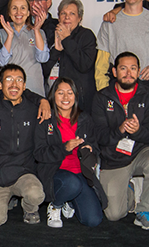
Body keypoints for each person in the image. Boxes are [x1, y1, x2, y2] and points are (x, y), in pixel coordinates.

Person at [92, 52, 149, 229]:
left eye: (133, 69)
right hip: (114, 158)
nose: (128, 73)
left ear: (139, 71)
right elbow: (99, 135)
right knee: (113, 214)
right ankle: (130, 191)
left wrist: (138, 131)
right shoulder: (102, 98)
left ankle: (145, 210)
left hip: (140, 152)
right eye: (123, 68)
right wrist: (120, 130)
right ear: (114, 72)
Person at [35, 78, 105, 228]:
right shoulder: (46, 119)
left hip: (81, 172)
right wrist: (64, 148)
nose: (66, 98)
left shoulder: (85, 119)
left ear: (76, 96)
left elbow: (96, 147)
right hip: (55, 172)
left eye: (70, 93)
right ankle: (56, 205)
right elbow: (39, 153)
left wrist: (90, 149)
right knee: (72, 183)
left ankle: (70, 200)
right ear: (53, 96)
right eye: (61, 93)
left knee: (93, 220)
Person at [0, 65, 45, 226]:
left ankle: (30, 209)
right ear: (0, 85)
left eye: (19, 80)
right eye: (8, 79)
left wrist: (43, 100)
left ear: (24, 86)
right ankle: (7, 199)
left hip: (24, 171)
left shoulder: (35, 110)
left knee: (36, 194)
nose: (14, 84)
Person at [0, 0, 49, 96]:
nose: (18, 12)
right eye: (14, 8)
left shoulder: (39, 33)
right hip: (9, 89)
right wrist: (10, 36)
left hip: (33, 88)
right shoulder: (1, 33)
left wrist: (36, 31)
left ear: (28, 12)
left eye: (23, 8)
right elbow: (1, 62)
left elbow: (43, 58)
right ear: (9, 12)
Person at [44, 0, 97, 109]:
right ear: (58, 17)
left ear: (80, 18)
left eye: (72, 13)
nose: (67, 17)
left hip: (79, 100)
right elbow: (43, 70)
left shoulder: (87, 36)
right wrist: (56, 51)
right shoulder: (50, 35)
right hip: (54, 99)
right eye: (63, 13)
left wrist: (67, 39)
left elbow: (84, 65)